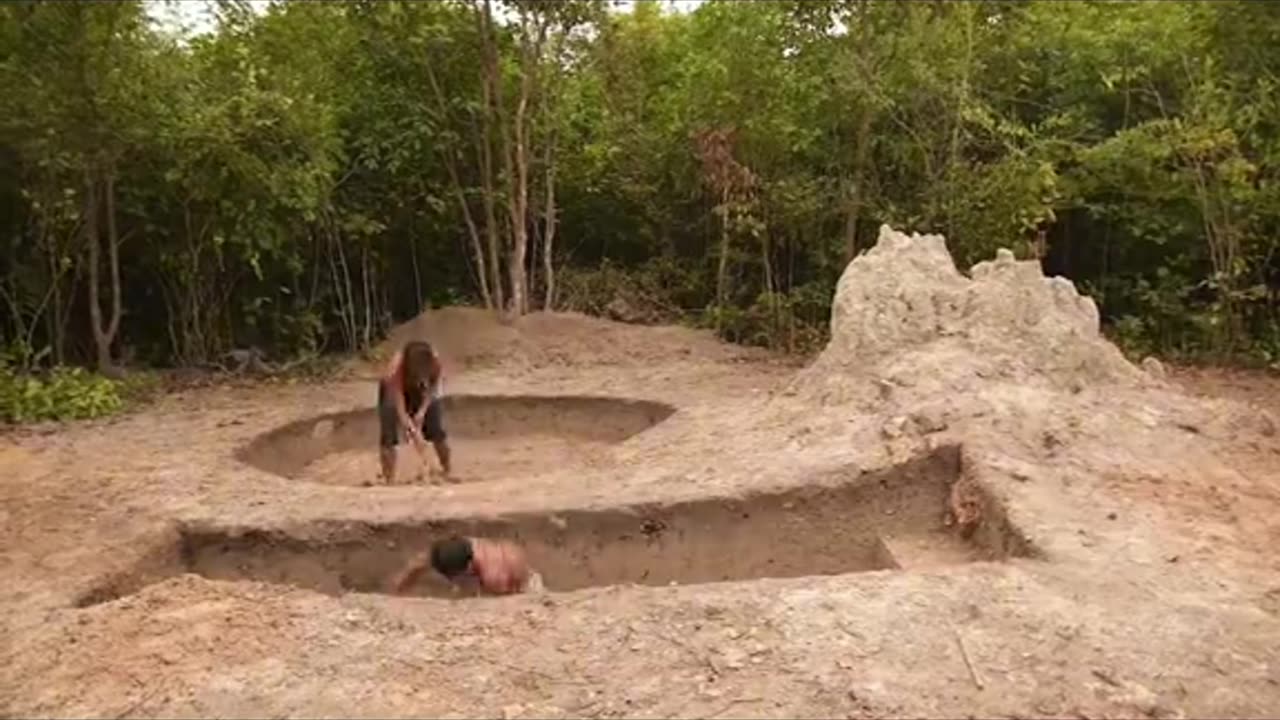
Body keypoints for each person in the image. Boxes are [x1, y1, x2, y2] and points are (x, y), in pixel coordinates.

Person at [378, 340, 451, 482]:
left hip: (420, 389)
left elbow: (432, 388)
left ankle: (447, 469)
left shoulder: (434, 363)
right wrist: (412, 430)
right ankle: (389, 480)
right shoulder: (396, 369)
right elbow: (398, 401)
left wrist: (422, 412)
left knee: (436, 430)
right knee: (388, 435)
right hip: (394, 390)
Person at [389, 536, 542, 596]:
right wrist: (397, 590)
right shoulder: (462, 546)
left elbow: (505, 605)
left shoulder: (494, 576)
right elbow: (419, 563)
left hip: (527, 586)